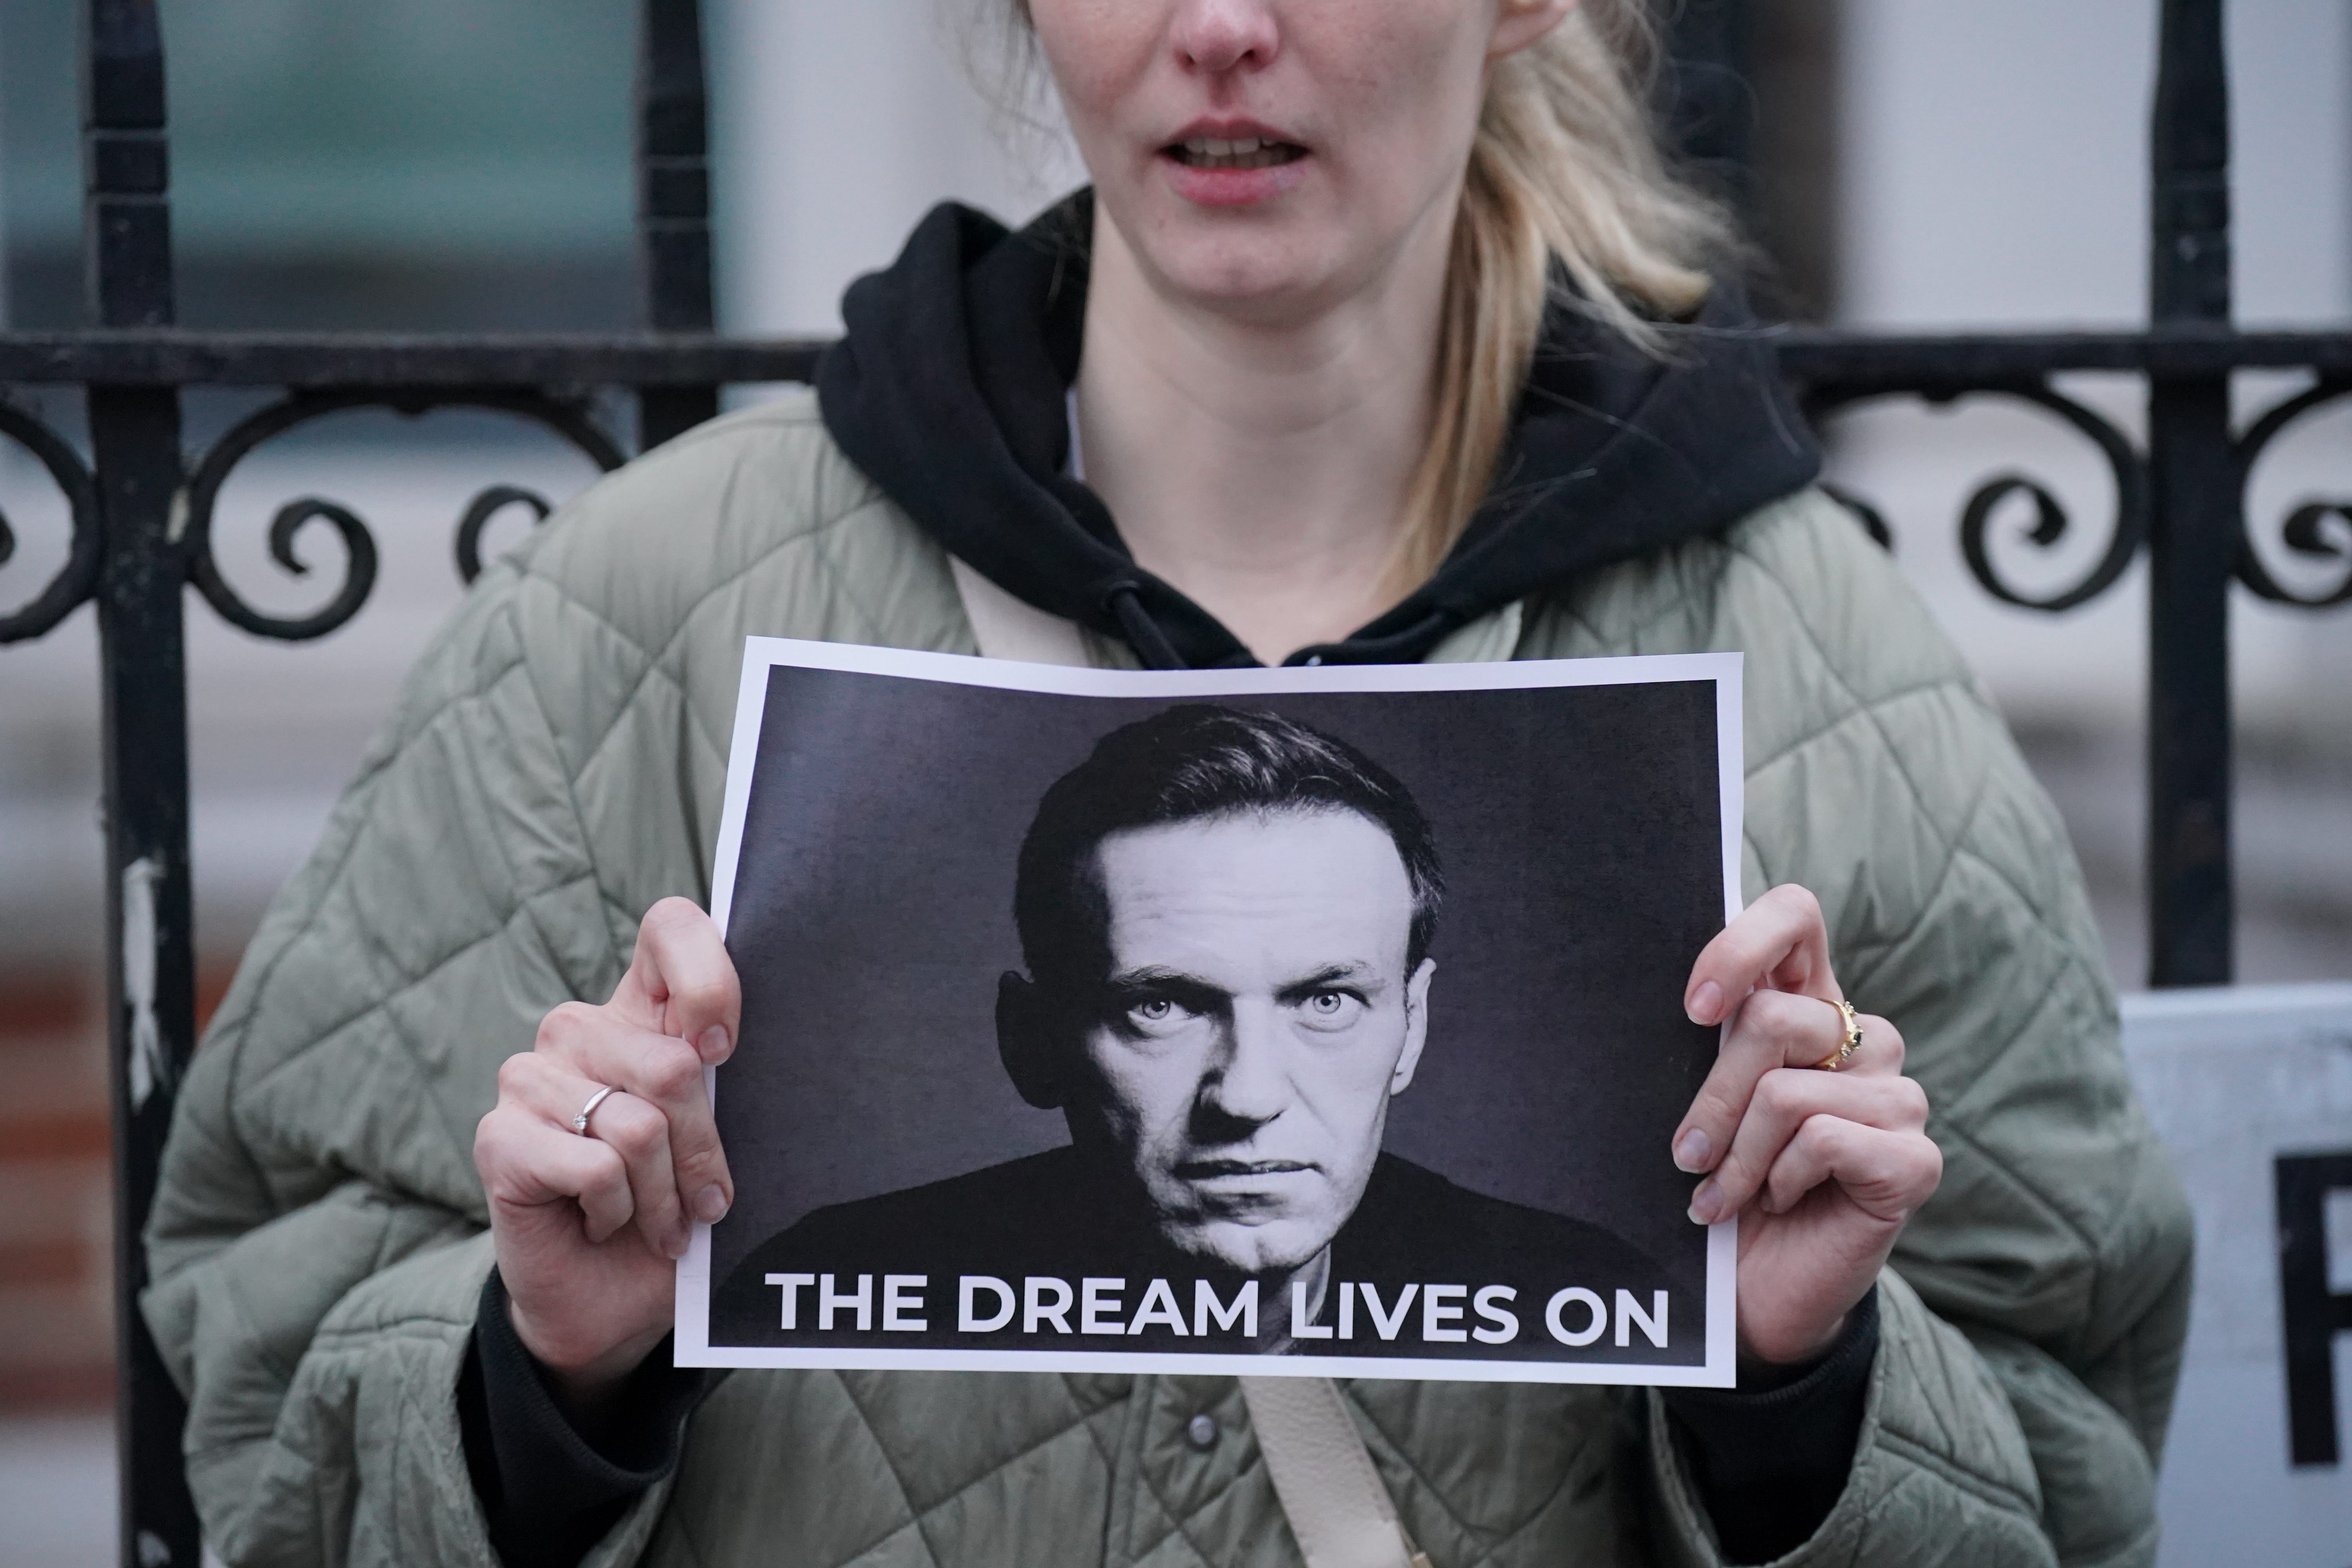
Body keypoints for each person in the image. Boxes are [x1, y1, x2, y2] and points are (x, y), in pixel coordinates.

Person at [142, 2, 2191, 1566]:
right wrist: (542, 1377)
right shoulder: (641, 618)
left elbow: (2076, 1455)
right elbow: (261, 1367)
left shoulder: (1824, 670)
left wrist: (1801, 1391)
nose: (1219, 25)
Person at [710, 704, 1669, 1359]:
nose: (1249, 1096)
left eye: (1326, 1000)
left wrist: (1790, 1378)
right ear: (1032, 1040)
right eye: (1161, 1005)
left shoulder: (1583, 1295)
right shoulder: (830, 1286)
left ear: (1410, 1027)